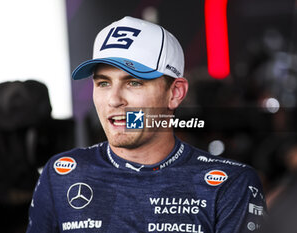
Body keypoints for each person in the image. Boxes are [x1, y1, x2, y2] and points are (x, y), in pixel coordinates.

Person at [27, 16, 266, 233]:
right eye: (103, 83)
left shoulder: (230, 184)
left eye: (134, 83)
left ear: (175, 93)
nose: (114, 100)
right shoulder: (61, 173)